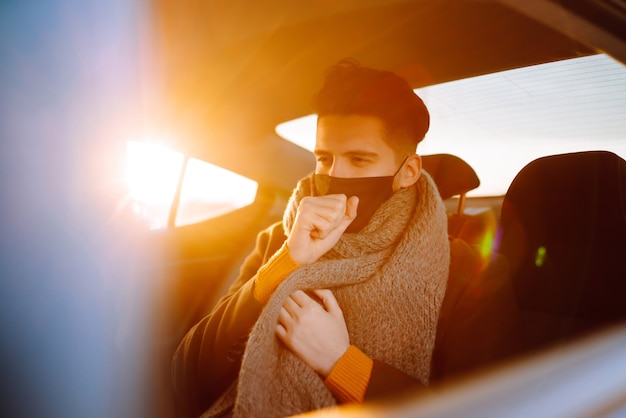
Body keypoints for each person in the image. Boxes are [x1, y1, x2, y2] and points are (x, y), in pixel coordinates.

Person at [171, 60, 450, 418]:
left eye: (359, 160)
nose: (336, 176)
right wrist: (287, 263)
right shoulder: (279, 241)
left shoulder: (465, 272)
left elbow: (481, 405)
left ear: (408, 172)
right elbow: (186, 374)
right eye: (324, 158)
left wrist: (342, 364)